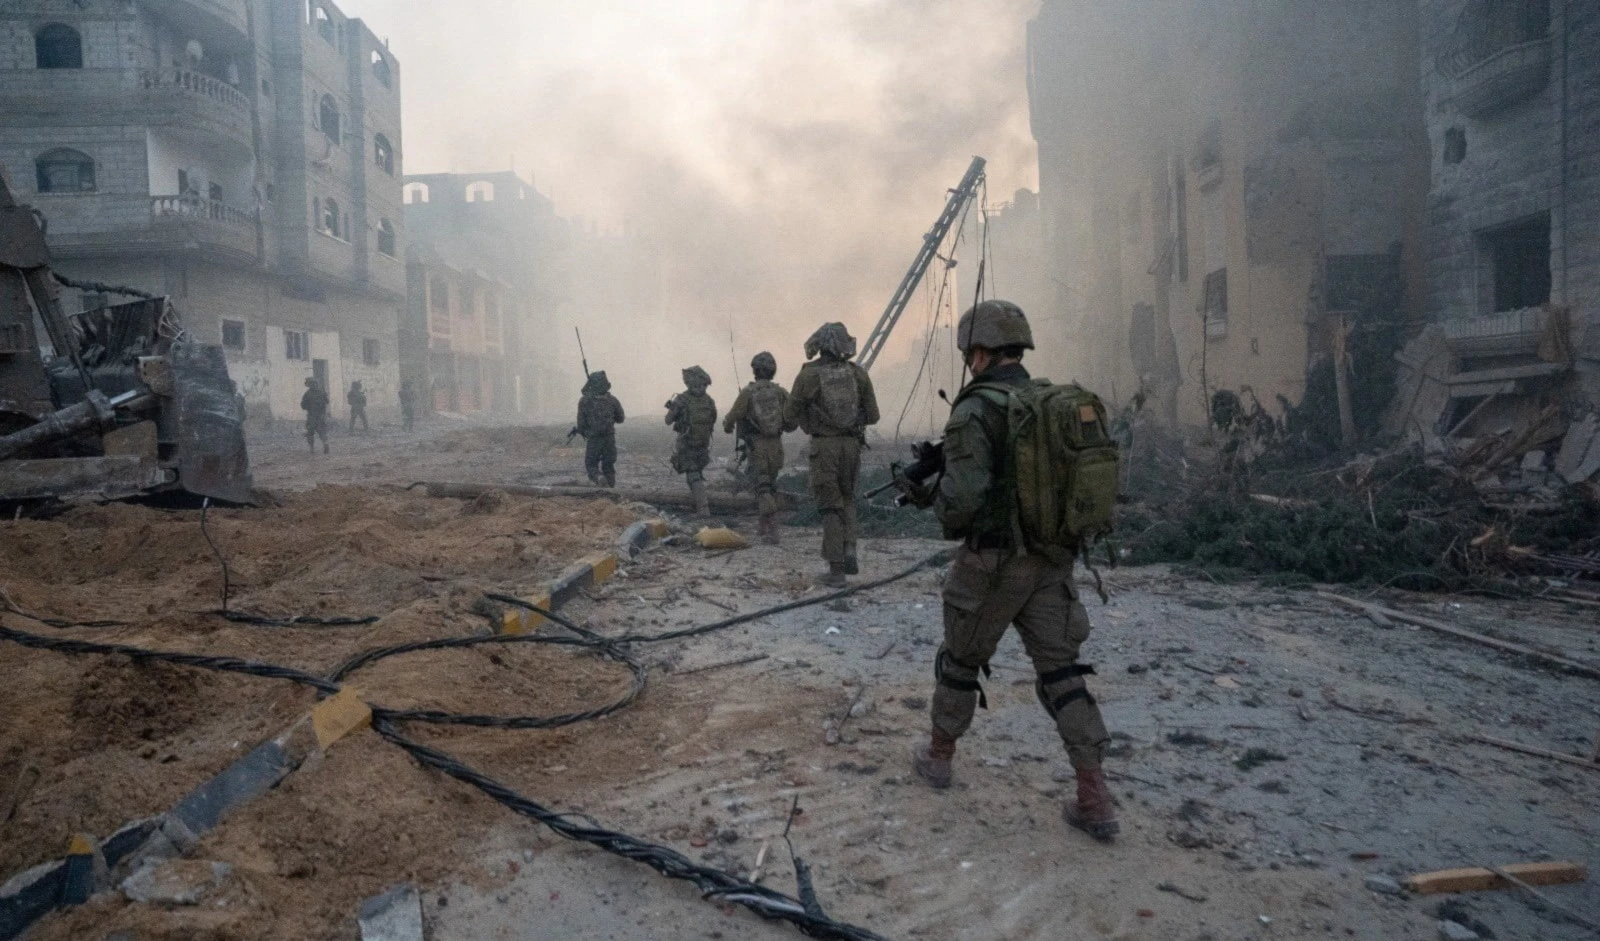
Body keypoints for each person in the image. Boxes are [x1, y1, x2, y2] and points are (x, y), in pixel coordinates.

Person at [906, 300, 1118, 842]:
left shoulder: (974, 411)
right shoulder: (1045, 400)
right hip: (1051, 560)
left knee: (959, 661)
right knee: (1064, 674)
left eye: (968, 353)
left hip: (994, 564)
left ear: (978, 353)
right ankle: (1093, 794)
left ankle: (938, 756)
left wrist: (928, 495)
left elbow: (962, 506)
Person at [783, 322, 878, 586]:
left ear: (820, 345)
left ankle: (836, 570)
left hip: (824, 447)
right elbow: (874, 415)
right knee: (847, 500)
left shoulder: (809, 376)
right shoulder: (858, 374)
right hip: (851, 446)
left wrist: (809, 416)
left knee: (829, 506)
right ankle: (849, 549)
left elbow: (788, 416)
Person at [723, 351, 792, 544]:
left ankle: (773, 531)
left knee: (762, 487)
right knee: (770, 484)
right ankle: (763, 526)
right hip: (777, 446)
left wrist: (728, 427)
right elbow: (792, 419)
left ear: (755, 371)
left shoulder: (748, 392)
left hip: (757, 446)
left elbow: (731, 417)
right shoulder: (781, 392)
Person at [665, 366, 717, 515]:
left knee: (693, 475)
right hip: (703, 444)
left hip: (687, 443)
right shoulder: (709, 401)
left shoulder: (681, 399)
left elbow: (668, 420)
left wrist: (673, 409)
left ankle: (703, 508)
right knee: (695, 475)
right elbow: (713, 420)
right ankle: (699, 504)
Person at [574, 370, 626, 487]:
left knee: (591, 465)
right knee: (609, 466)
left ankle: (599, 478)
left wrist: (585, 431)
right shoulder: (612, 400)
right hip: (609, 438)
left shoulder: (584, 401)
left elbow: (581, 425)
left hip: (594, 439)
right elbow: (621, 418)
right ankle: (611, 491)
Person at [300, 377, 329, 454]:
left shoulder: (307, 394)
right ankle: (325, 443)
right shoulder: (322, 392)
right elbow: (327, 402)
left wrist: (309, 407)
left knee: (310, 433)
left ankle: (312, 449)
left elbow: (303, 405)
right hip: (320, 415)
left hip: (311, 416)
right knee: (322, 431)